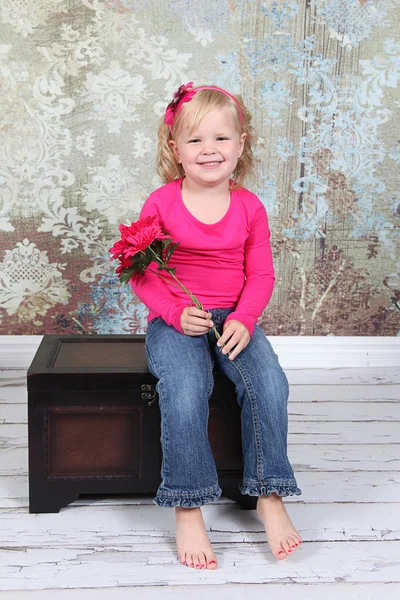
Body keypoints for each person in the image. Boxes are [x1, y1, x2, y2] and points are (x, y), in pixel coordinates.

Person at [131, 81, 302, 571]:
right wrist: (172, 312)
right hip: (179, 319)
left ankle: (269, 492)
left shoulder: (249, 207)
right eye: (195, 140)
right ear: (175, 149)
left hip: (234, 319)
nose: (209, 150)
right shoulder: (162, 202)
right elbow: (143, 272)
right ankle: (188, 502)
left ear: (241, 144)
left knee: (269, 385)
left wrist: (246, 320)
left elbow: (261, 273)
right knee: (186, 388)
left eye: (221, 139)